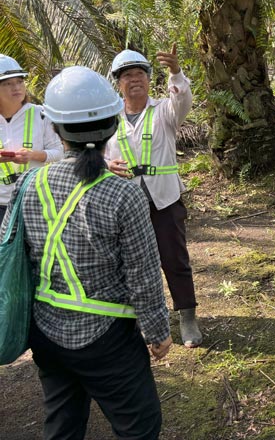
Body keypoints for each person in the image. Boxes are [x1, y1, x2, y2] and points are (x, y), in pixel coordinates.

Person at [0, 66, 171, 439]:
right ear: (113, 124)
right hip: (108, 338)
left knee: (62, 425)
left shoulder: (29, 183)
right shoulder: (123, 193)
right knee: (139, 427)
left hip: (45, 332)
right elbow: (142, 274)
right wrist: (158, 332)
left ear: (58, 131)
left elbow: (12, 255)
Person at [105, 46, 202, 348]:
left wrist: (176, 72)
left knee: (174, 259)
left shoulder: (164, 110)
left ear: (148, 80)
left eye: (139, 74)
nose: (134, 80)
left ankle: (187, 317)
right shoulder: (108, 118)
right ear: (117, 83)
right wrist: (105, 164)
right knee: (128, 263)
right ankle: (140, 320)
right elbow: (93, 152)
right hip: (125, 203)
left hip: (164, 198)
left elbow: (183, 99)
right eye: (127, 76)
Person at [0, 54, 63, 220]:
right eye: (8, 83)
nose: (17, 88)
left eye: (20, 82)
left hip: (35, 200)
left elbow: (60, 152)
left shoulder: (41, 114)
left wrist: (33, 155)